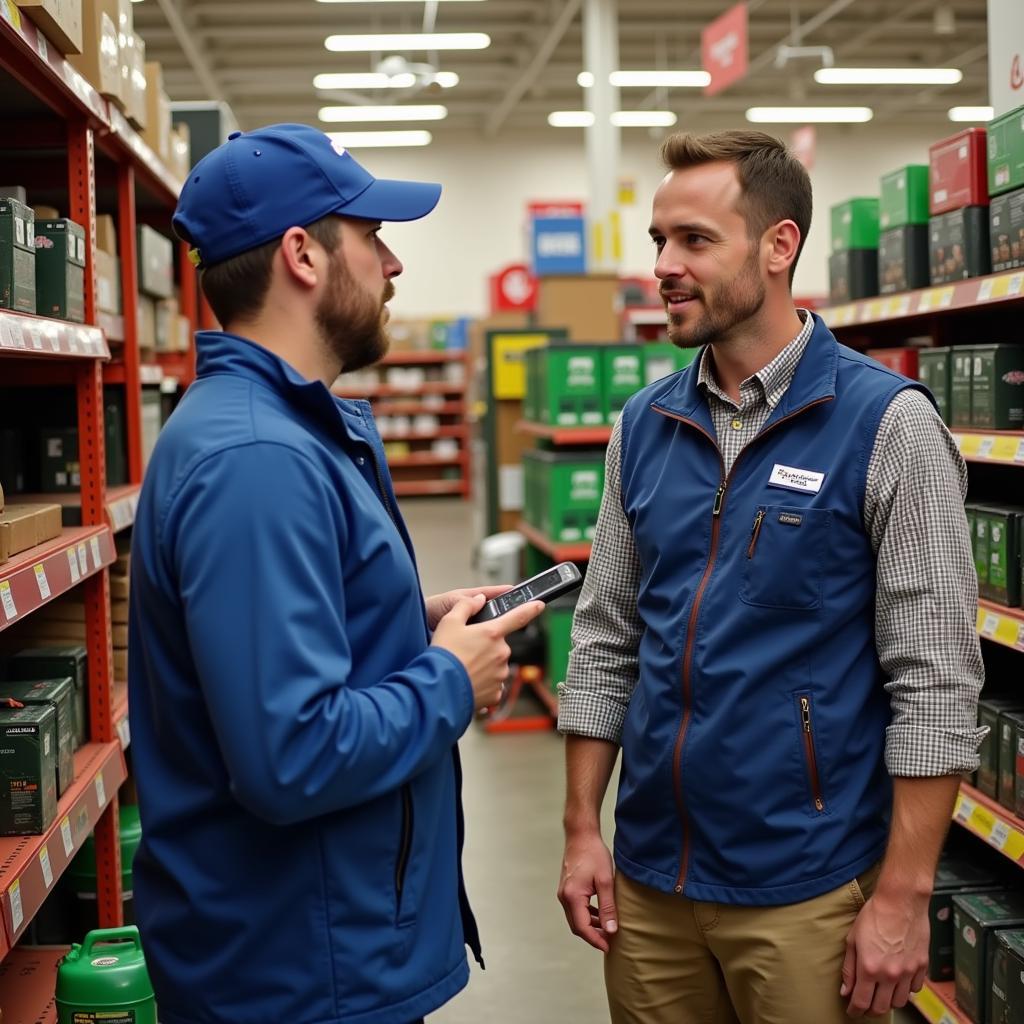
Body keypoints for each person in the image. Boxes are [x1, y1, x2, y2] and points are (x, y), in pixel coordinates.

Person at [556, 130, 984, 1024]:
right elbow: (606, 636)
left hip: (806, 890)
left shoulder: (886, 425)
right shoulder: (644, 425)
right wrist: (581, 828)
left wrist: (903, 898)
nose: (665, 267)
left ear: (779, 246)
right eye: (659, 242)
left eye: (695, 241)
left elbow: (936, 681)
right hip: (650, 886)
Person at [128, 123, 544, 1024]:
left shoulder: (290, 433)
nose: (392, 264)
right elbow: (290, 757)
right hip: (297, 971)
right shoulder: (255, 460)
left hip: (319, 946)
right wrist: (447, 678)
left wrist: (401, 619)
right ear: (302, 256)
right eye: (371, 236)